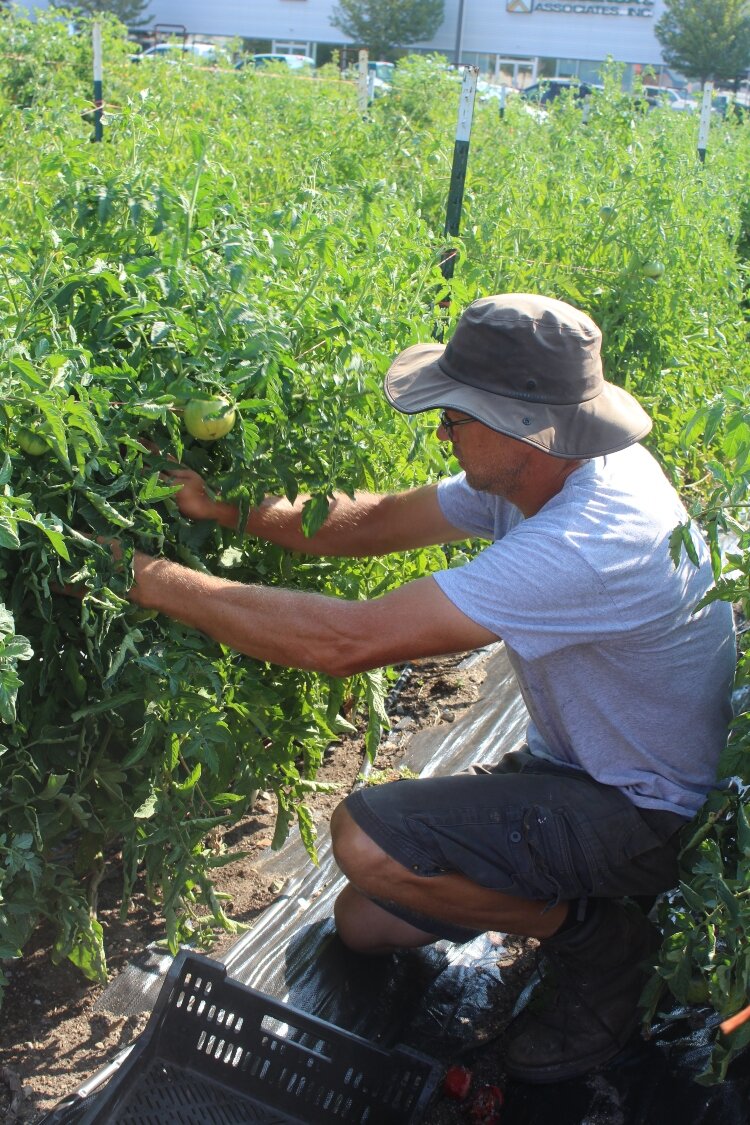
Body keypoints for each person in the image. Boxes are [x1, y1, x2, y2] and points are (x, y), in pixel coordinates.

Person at [122, 294, 735, 1083]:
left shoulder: (593, 536)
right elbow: (371, 523)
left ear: (522, 422)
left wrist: (154, 581)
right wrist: (223, 509)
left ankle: (598, 940)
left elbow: (345, 642)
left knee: (365, 840)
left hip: (644, 810)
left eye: (454, 414)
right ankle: (578, 905)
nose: (442, 429)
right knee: (363, 921)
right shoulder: (542, 465)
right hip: (583, 771)